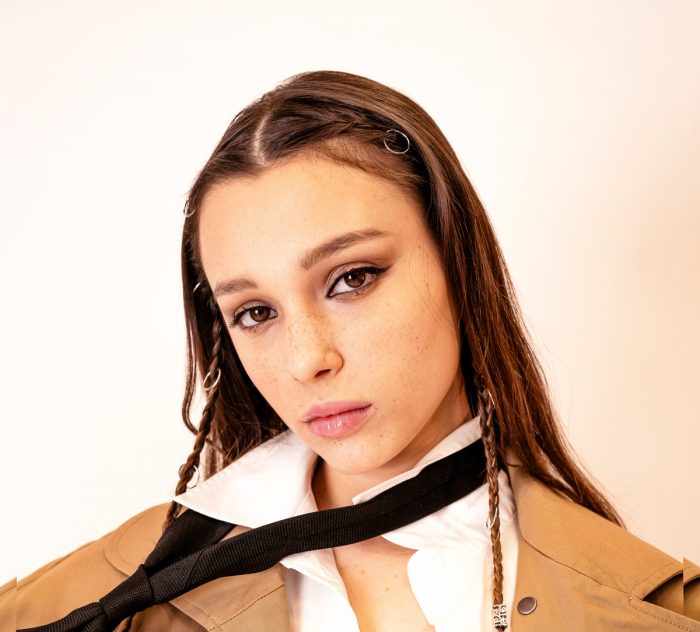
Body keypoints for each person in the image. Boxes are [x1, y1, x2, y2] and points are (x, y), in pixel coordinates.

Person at [4, 70, 699, 631]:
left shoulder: (653, 608)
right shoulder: (115, 595)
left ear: (456, 262)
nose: (306, 359)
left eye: (352, 279)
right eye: (255, 313)